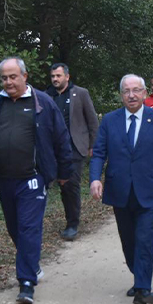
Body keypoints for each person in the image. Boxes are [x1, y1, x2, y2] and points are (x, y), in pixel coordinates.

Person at [0, 57, 73, 304]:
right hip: (4, 178)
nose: (9, 82)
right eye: (4, 77)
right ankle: (32, 264)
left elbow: (61, 138)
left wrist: (64, 172)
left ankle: (26, 283)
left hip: (32, 178)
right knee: (14, 228)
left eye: (13, 77)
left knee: (28, 228)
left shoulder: (41, 102)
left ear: (25, 76)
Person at [89, 74, 153, 304]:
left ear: (144, 93)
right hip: (120, 189)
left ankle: (143, 288)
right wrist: (95, 179)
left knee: (144, 238)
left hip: (150, 189)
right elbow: (100, 152)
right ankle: (138, 276)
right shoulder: (110, 121)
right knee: (129, 241)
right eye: (126, 91)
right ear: (121, 95)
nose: (131, 95)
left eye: (136, 90)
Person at [46, 63, 99, 241]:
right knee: (57, 185)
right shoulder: (47, 96)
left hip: (76, 147)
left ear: (67, 77)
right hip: (54, 150)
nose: (55, 79)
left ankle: (72, 224)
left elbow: (92, 120)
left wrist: (93, 145)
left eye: (58, 76)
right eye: (53, 76)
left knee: (71, 185)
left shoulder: (80, 93)